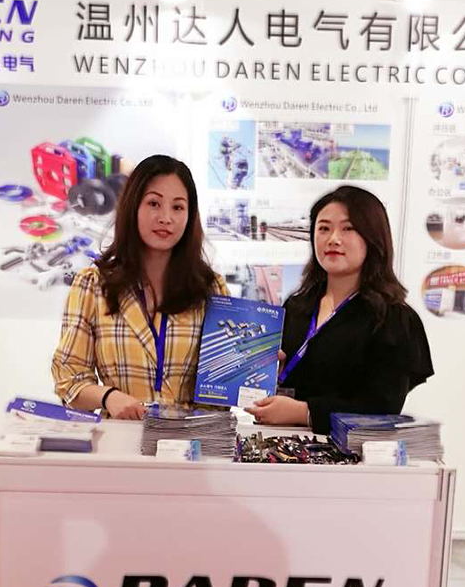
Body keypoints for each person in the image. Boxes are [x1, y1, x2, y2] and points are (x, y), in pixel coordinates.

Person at [246, 186, 433, 434]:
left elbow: (383, 408)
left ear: (373, 237)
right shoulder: (296, 305)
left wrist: (305, 412)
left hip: (349, 454)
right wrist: (270, 372)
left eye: (348, 228)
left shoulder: (394, 318)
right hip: (281, 445)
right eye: (324, 228)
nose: (333, 239)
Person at [52, 154, 227, 419]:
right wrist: (109, 397)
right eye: (154, 203)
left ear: (190, 215)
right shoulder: (93, 284)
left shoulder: (210, 289)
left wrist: (254, 366)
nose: (166, 218)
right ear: (133, 206)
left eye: (178, 207)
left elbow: (221, 394)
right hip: (120, 438)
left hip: (190, 439)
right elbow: (69, 379)